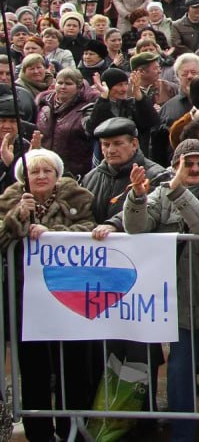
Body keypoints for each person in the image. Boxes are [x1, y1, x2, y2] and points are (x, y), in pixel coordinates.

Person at [122, 138, 199, 442]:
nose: (194, 168)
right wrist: (136, 196)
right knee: (180, 369)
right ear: (174, 166)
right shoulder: (160, 193)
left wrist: (178, 189)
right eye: (187, 163)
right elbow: (136, 228)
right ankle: (183, 434)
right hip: (180, 301)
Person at [0, 148, 94, 442]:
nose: (41, 176)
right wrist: (19, 216)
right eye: (34, 172)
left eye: (47, 171)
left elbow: (90, 229)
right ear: (23, 178)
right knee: (34, 369)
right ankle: (39, 432)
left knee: (73, 368)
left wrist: (52, 232)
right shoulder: (9, 200)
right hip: (27, 301)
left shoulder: (78, 197)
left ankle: (73, 429)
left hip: (70, 297)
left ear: (57, 174)